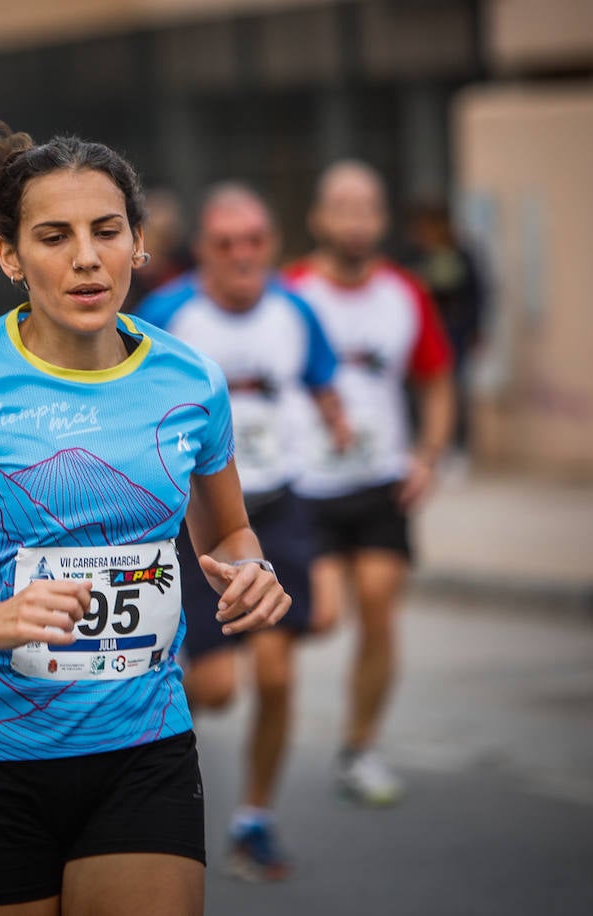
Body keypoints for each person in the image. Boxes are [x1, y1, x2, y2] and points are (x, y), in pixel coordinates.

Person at [0, 110, 291, 915]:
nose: (86, 258)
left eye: (107, 231)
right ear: (10, 255)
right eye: (53, 237)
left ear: (139, 243)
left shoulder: (191, 382)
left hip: (143, 748)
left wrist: (248, 567)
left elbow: (224, 530)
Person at [138, 183, 350, 881]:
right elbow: (129, 398)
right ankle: (144, 727)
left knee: (280, 671)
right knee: (221, 687)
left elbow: (321, 382)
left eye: (254, 240)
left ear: (273, 245)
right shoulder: (168, 315)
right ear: (203, 251)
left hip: (278, 507)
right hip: (196, 520)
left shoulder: (296, 311)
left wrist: (338, 423)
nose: (242, 254)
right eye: (226, 243)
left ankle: (254, 819)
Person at [283, 160, 454, 807]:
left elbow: (436, 380)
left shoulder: (405, 293)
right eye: (343, 207)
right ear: (319, 218)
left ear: (382, 220)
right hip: (308, 484)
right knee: (323, 615)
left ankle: (359, 748)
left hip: (382, 480)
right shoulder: (291, 293)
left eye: (369, 208)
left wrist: (429, 456)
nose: (356, 221)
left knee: (380, 604)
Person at [401, 198, 487, 449]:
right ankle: (421, 438)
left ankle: (455, 444)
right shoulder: (415, 255)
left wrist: (475, 328)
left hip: (453, 333)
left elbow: (477, 293)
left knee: (451, 388)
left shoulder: (461, 254)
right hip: (420, 332)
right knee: (417, 390)